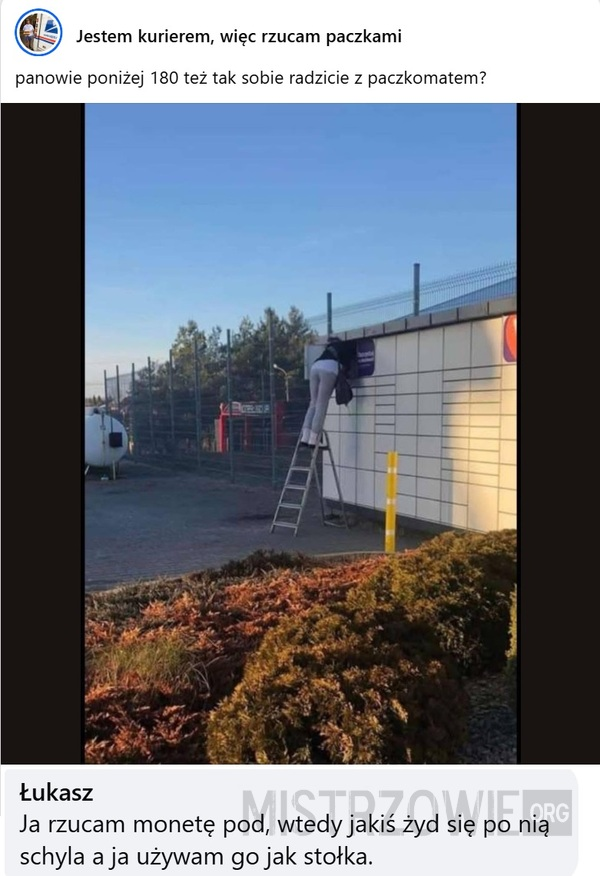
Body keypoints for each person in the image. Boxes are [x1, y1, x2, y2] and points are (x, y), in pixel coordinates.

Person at [300, 336, 355, 447]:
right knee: (321, 405)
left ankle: (305, 437)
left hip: (315, 367)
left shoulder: (329, 348)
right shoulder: (347, 347)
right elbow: (348, 368)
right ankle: (314, 439)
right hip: (330, 368)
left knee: (313, 403)